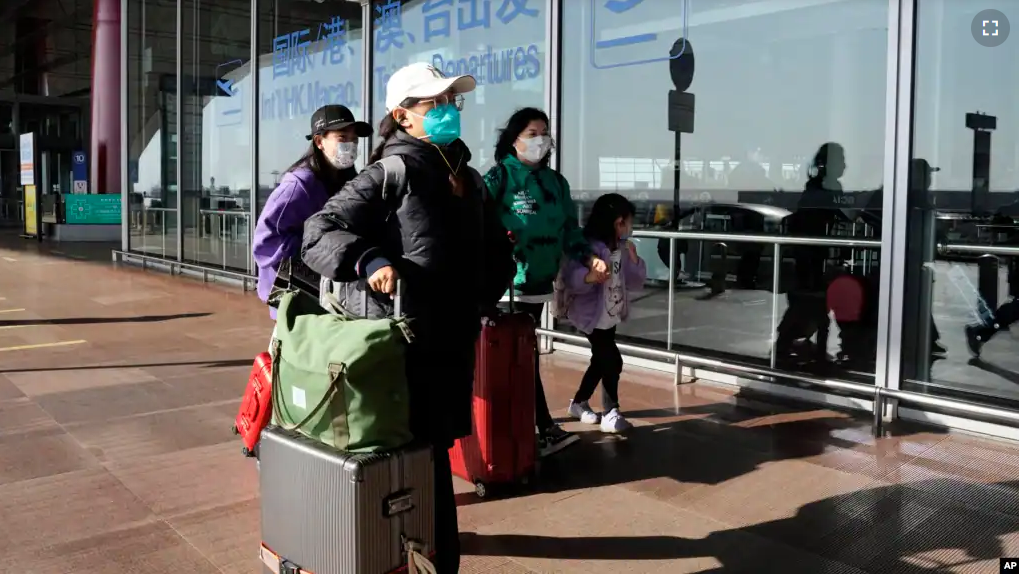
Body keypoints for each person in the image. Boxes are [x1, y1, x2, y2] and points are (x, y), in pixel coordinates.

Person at [301, 62, 514, 574]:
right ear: (403, 116)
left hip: (453, 341)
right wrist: (369, 260)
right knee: (420, 458)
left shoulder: (468, 177)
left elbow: (489, 254)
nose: (447, 111)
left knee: (433, 450)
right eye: (434, 103)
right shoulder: (391, 172)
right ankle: (425, 560)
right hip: (407, 347)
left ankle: (426, 557)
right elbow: (317, 230)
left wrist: (492, 277)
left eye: (451, 102)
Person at [484, 107, 609, 457]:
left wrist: (589, 257)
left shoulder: (556, 183)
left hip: (539, 284)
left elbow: (569, 229)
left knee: (524, 356)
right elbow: (476, 220)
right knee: (522, 357)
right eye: (531, 132)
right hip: (507, 284)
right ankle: (539, 427)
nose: (540, 139)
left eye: (544, 132)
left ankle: (531, 427)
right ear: (514, 139)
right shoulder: (500, 178)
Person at [252, 104, 372, 325]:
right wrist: (315, 250)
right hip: (297, 297)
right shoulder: (298, 186)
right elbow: (265, 241)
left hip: (330, 294)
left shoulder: (347, 180)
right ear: (319, 141)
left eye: (354, 139)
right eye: (342, 137)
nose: (351, 145)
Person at [560, 193, 647, 433]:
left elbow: (636, 281)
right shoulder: (589, 248)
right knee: (612, 360)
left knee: (600, 361)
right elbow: (572, 280)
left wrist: (635, 260)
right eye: (628, 222)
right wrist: (589, 276)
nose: (630, 227)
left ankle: (578, 403)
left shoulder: (621, 247)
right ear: (618, 222)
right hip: (592, 316)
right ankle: (611, 412)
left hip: (611, 314)